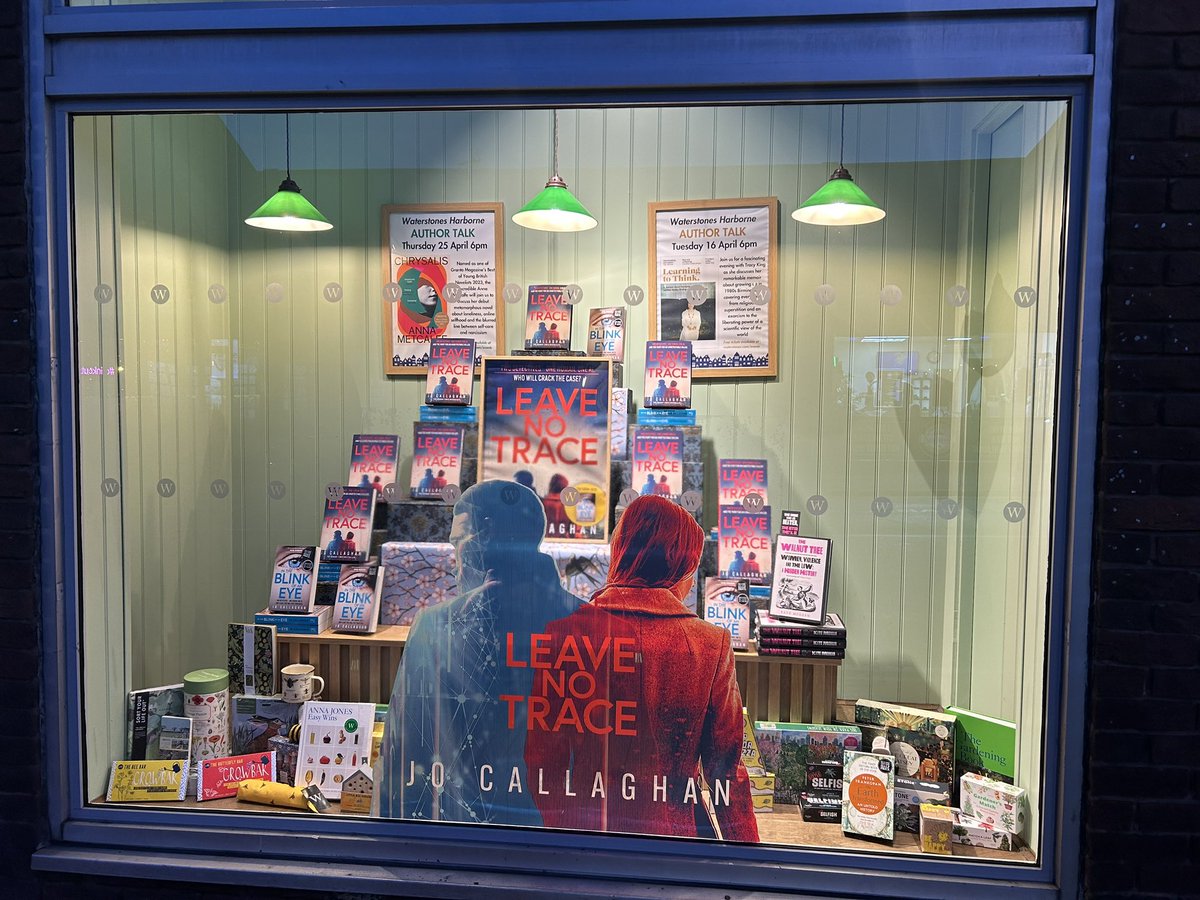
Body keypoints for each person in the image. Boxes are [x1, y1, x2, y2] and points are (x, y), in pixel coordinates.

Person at [523, 495, 759, 841]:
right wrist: (751, 860)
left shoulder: (564, 633)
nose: (692, 583)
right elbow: (725, 772)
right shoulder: (712, 644)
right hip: (680, 841)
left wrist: (565, 836)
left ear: (620, 551)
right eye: (692, 571)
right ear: (680, 567)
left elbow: (542, 764)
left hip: (589, 836)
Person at [375, 480, 582, 824]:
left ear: (482, 541)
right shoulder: (586, 622)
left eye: (458, 541)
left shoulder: (434, 626)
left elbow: (403, 756)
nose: (453, 559)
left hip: (458, 837)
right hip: (561, 841)